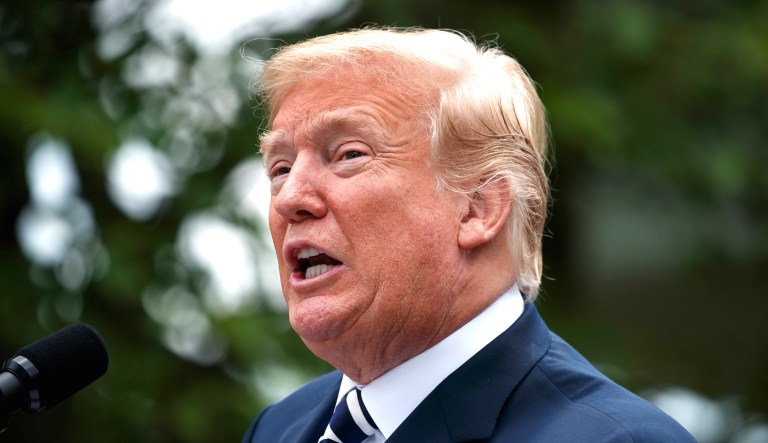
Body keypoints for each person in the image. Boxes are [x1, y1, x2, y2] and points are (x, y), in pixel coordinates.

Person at [242, 27, 695, 443]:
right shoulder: (277, 428)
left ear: (478, 208)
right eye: (280, 168)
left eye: (348, 154)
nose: (289, 198)